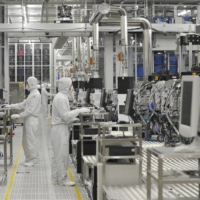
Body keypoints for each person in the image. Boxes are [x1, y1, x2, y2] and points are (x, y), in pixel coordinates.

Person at [51, 77, 90, 186]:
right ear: (65, 86)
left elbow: (64, 115)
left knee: (57, 156)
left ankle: (55, 178)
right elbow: (65, 116)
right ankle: (63, 180)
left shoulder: (60, 96)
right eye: (70, 85)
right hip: (60, 129)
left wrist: (73, 118)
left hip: (59, 128)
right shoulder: (61, 98)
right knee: (62, 156)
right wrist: (78, 111)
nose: (71, 87)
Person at [5, 76, 41, 167]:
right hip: (28, 119)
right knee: (26, 141)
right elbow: (22, 105)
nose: (26, 85)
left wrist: (19, 115)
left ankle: (34, 159)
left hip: (32, 119)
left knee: (31, 140)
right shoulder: (31, 94)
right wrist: (10, 106)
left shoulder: (36, 95)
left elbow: (30, 110)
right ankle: (28, 158)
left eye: (27, 83)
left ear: (32, 83)